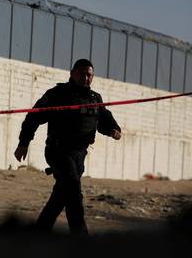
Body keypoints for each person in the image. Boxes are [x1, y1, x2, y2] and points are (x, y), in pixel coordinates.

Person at [14, 59, 122, 234]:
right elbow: (33, 117)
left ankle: (40, 231)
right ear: (72, 73)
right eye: (82, 74)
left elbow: (104, 120)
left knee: (61, 194)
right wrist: (24, 142)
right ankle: (80, 236)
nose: (86, 78)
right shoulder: (58, 94)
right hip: (58, 151)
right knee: (73, 189)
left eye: (89, 75)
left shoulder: (95, 98)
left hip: (80, 154)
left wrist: (113, 130)